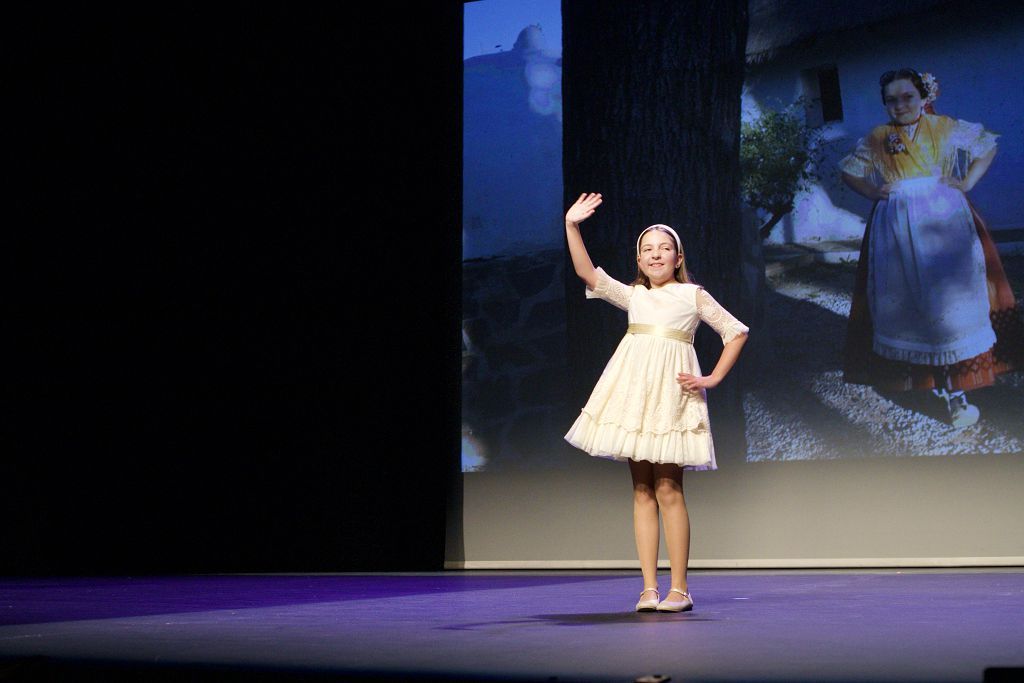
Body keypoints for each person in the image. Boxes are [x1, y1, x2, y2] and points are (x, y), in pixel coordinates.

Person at [562, 192, 749, 613]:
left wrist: (712, 377)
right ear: (639, 260)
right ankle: (649, 587)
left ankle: (679, 588)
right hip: (635, 395)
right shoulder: (635, 296)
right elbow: (587, 273)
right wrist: (572, 225)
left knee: (669, 487)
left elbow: (735, 331)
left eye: (664, 248)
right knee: (642, 488)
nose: (656, 254)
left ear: (678, 257)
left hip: (671, 396)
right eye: (647, 249)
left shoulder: (692, 295)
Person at [840, 68, 1022, 427]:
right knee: (908, 302)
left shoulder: (945, 126)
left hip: (945, 221)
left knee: (951, 304)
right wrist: (874, 191)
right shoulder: (879, 137)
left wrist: (966, 181)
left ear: (923, 98)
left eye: (907, 97)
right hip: (896, 226)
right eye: (891, 100)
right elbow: (849, 171)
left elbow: (987, 146)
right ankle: (929, 380)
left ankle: (958, 390)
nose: (900, 105)